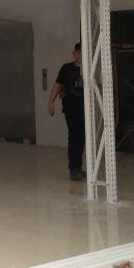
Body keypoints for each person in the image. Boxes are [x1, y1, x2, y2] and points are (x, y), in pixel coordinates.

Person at [49, 43, 86, 180]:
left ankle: (77, 168)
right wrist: (51, 102)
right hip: (71, 109)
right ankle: (74, 170)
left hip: (85, 111)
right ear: (74, 54)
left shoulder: (90, 68)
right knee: (75, 138)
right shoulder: (67, 68)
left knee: (81, 139)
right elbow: (57, 85)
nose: (78, 56)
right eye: (77, 53)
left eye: (81, 53)